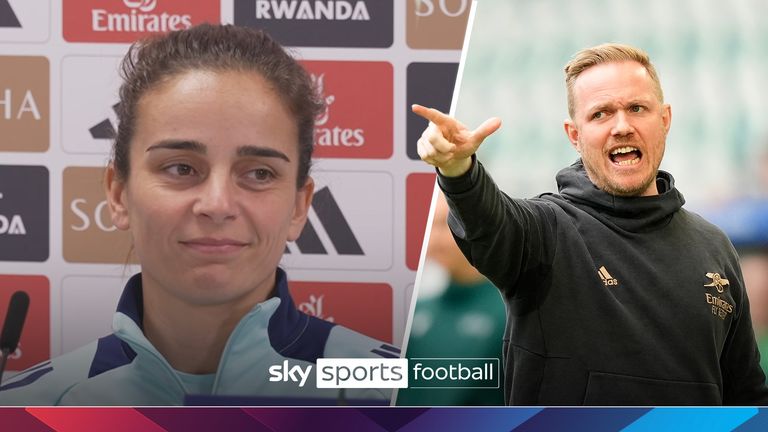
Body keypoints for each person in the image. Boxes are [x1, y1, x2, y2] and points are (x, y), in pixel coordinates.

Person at [0, 24, 397, 405]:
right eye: (180, 168)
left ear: (299, 206)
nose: (217, 204)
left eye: (259, 173)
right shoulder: (28, 408)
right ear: (119, 194)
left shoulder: (403, 395)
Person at [412, 43, 768, 405]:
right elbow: (488, 223)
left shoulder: (715, 247)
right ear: (574, 135)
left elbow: (746, 394)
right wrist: (458, 171)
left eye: (637, 108)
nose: (622, 126)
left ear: (664, 120)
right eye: (601, 114)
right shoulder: (545, 229)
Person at [397, 193, 505, 406]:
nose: (434, 238)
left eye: (443, 224)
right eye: (428, 226)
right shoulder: (416, 311)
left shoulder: (511, 312)